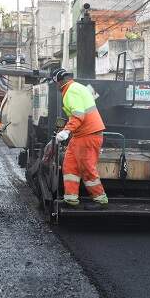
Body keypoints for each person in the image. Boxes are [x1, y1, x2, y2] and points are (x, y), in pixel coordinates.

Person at [51, 68, 108, 210]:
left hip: (89, 135)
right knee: (70, 165)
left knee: (87, 168)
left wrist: (66, 131)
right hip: (82, 135)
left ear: (59, 81)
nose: (56, 86)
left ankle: (100, 200)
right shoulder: (77, 87)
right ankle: (71, 199)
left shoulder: (70, 91)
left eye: (55, 83)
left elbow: (78, 115)